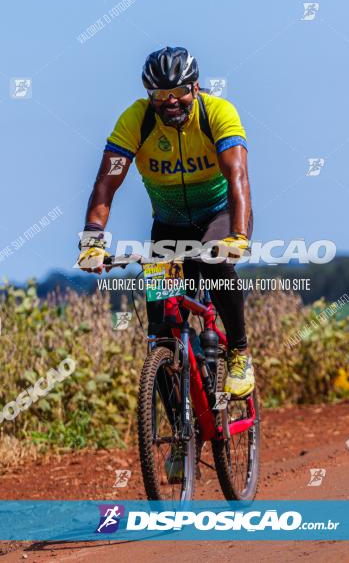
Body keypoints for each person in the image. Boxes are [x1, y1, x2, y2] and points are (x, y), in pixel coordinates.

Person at [76, 46, 255, 399]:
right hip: (170, 226)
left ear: (196, 87)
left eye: (179, 92)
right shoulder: (136, 121)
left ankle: (239, 352)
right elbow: (106, 183)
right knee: (160, 332)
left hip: (221, 215)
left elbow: (238, 175)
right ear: (149, 95)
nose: (170, 102)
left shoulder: (217, 112)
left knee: (213, 259)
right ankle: (178, 442)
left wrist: (236, 234)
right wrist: (92, 240)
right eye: (160, 94)